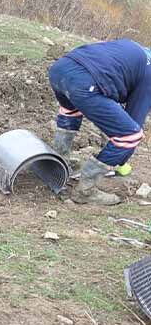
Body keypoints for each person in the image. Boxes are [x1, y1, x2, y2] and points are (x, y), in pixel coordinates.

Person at [49, 39, 151, 205]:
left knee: (71, 111)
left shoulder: (136, 50)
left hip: (60, 69)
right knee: (130, 136)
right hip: (84, 83)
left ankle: (58, 163)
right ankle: (86, 191)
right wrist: (121, 161)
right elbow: (133, 124)